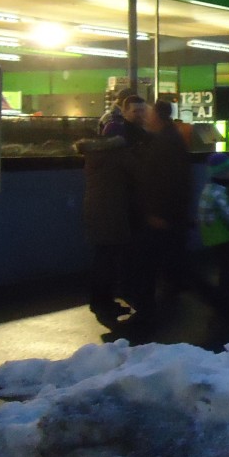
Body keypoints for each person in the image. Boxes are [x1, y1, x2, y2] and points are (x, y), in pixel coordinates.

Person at [74, 113, 145, 328]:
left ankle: (100, 301)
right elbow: (139, 174)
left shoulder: (95, 154)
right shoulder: (119, 155)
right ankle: (103, 303)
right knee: (109, 260)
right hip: (112, 212)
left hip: (96, 210)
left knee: (102, 257)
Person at [135, 99, 194, 323]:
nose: (146, 117)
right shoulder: (173, 138)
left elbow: (166, 180)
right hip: (169, 214)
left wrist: (158, 212)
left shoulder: (165, 142)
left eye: (149, 114)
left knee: (149, 262)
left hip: (162, 215)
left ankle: (148, 314)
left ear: (157, 117)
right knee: (171, 261)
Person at [197, 153, 229, 309]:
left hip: (209, 234)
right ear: (222, 173)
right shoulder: (219, 192)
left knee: (222, 265)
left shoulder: (208, 189)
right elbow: (228, 214)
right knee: (226, 267)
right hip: (220, 235)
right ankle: (226, 295)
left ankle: (224, 294)